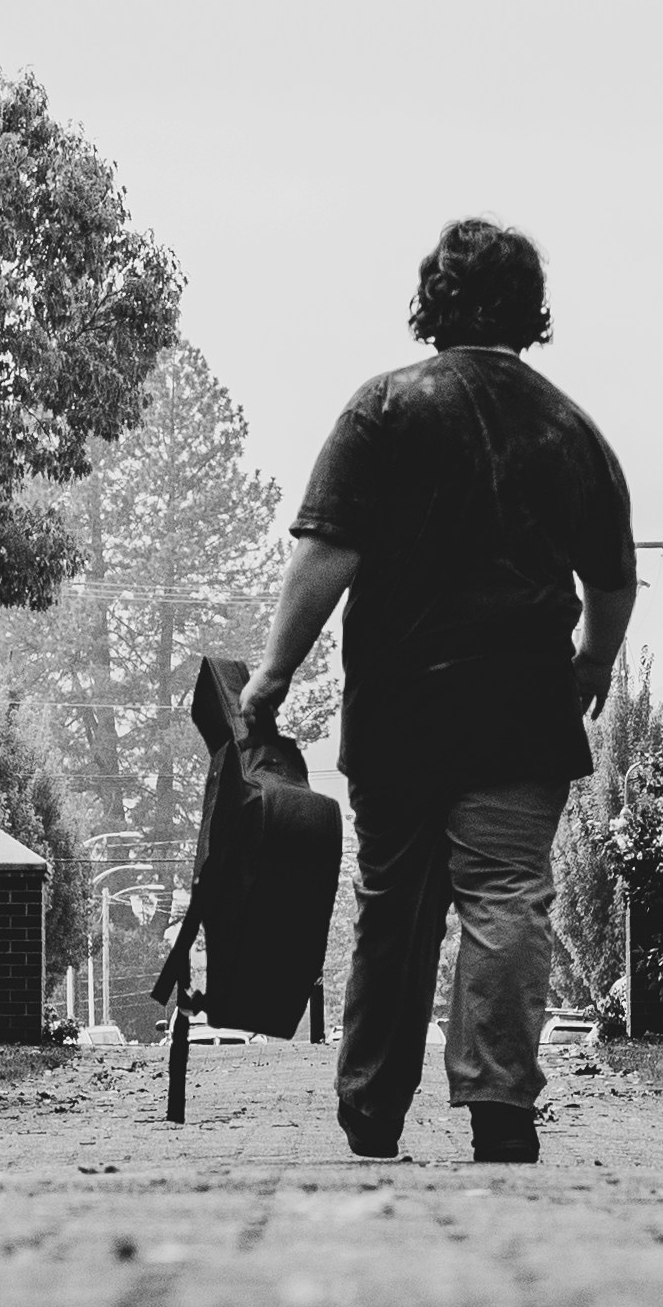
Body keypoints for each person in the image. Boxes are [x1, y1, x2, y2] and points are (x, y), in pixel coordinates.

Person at [240, 218, 639, 1163]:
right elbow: (612, 580)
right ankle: (500, 1105)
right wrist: (590, 666)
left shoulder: (383, 408)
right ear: (530, 311)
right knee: (506, 899)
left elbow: (327, 553)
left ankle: (371, 1106)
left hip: (401, 711)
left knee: (394, 906)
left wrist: (273, 673)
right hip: (523, 714)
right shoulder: (570, 428)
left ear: (434, 302)